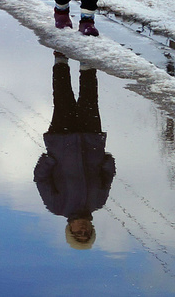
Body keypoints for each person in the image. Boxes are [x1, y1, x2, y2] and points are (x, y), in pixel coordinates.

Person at [34, 53, 116, 249]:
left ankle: (60, 59)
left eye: (78, 233)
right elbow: (108, 176)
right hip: (91, 141)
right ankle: (87, 63)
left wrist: (51, 159)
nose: (82, 229)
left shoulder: (57, 206)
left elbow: (41, 178)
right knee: (90, 99)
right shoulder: (98, 202)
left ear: (69, 229)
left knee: (63, 98)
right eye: (86, 233)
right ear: (91, 229)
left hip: (62, 142)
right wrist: (105, 159)